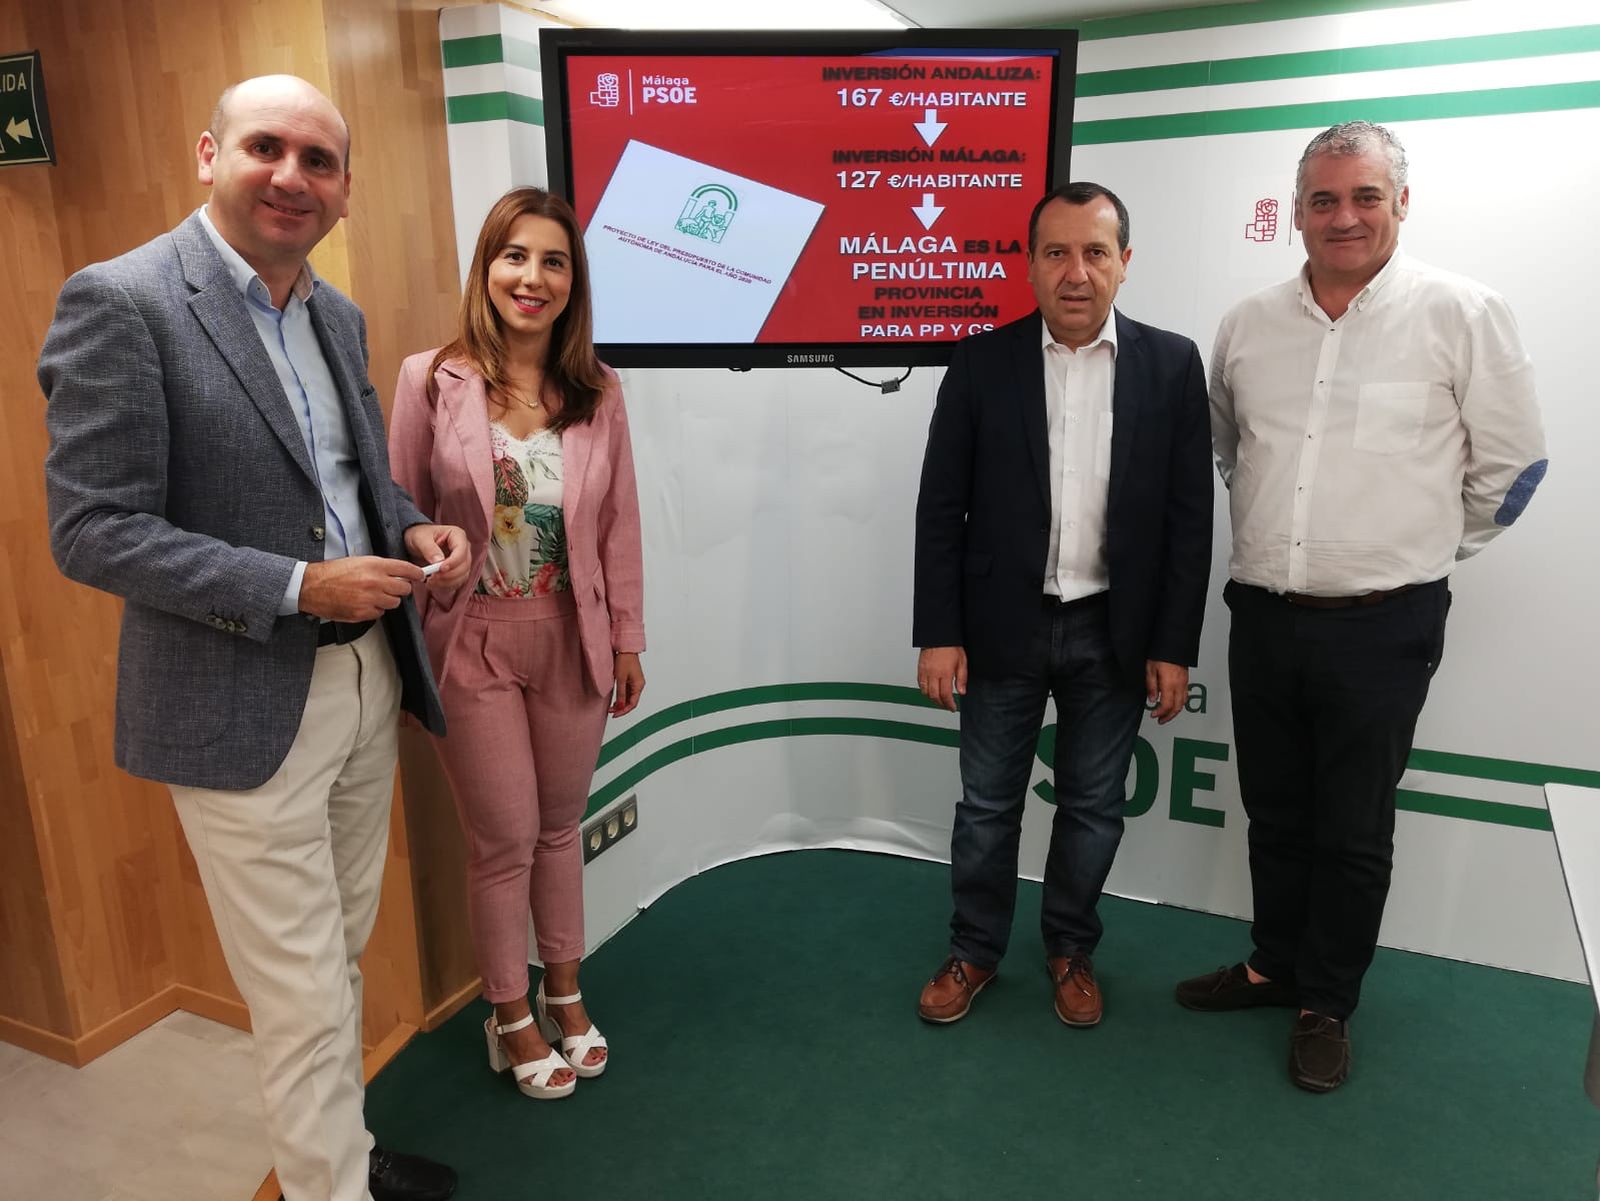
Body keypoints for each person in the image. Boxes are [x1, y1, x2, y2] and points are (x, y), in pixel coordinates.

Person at [38, 76, 469, 1201]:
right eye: (266, 147)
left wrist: (410, 526)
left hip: (367, 678)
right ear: (208, 154)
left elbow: (354, 482)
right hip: (237, 702)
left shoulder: (336, 314)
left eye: (319, 160)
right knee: (302, 990)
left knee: (338, 952)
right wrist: (296, 585)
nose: (292, 176)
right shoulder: (122, 300)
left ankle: (339, 1156)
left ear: (344, 190)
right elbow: (92, 530)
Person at [1177, 121, 1547, 1093]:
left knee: (1351, 827)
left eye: (1364, 196)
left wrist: (1414, 549)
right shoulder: (1247, 323)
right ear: (1295, 212)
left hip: (1386, 623)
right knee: (1273, 810)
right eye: (1324, 199)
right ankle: (1273, 965)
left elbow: (1513, 469)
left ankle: (1326, 1001)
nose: (1343, 216)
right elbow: (1229, 449)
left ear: (1400, 203)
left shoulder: (1462, 312)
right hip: (1263, 613)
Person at [913, 182, 1213, 1028]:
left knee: (1093, 808)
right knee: (986, 807)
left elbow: (1190, 518)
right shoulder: (980, 362)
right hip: (1000, 626)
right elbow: (942, 507)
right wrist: (939, 631)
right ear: (1030, 264)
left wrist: (1172, 644)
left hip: (1114, 628)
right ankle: (975, 948)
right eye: (1056, 252)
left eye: (1095, 252)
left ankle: (1071, 948)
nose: (1075, 272)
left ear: (1125, 262)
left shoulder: (1172, 364)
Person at [389, 187, 645, 1101]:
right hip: (472, 641)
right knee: (501, 840)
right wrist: (421, 543)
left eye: (553, 261)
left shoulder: (599, 390)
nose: (532, 277)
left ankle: (563, 989)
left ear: (573, 281)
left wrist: (628, 637)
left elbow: (618, 525)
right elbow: (397, 504)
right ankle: (508, 1011)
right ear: (487, 267)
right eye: (515, 256)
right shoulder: (429, 379)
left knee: (559, 828)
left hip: (573, 639)